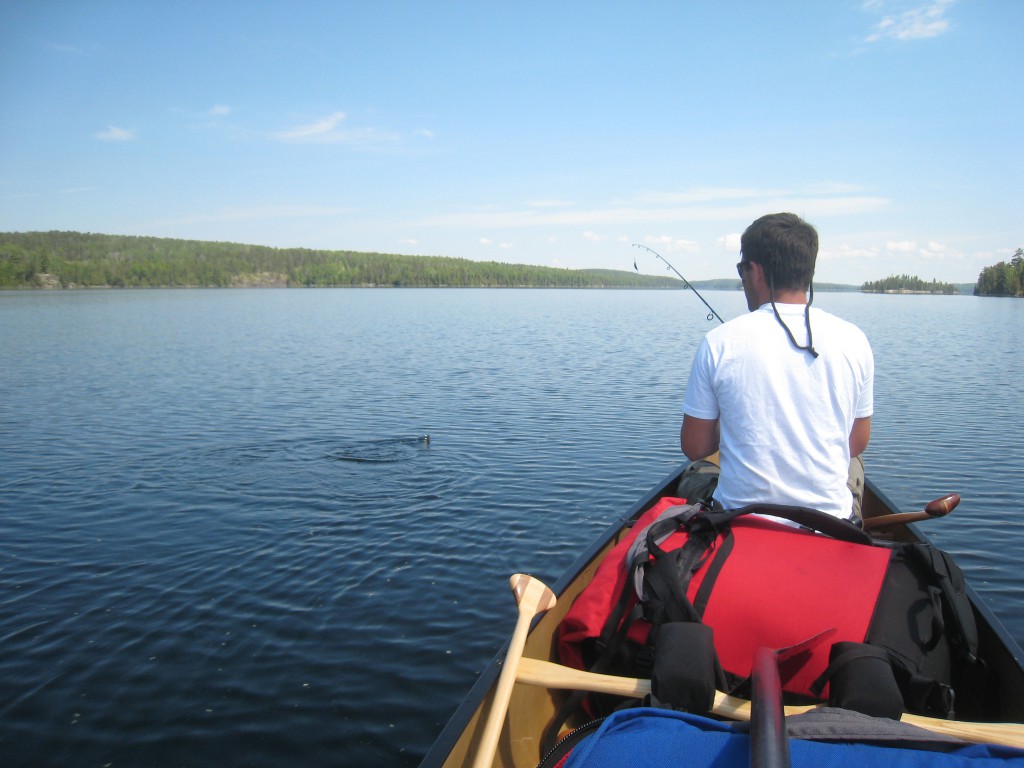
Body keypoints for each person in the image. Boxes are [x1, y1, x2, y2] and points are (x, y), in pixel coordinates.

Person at [680, 213, 873, 521]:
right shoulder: (855, 340)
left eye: (742, 269)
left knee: (696, 471)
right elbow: (856, 442)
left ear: (755, 271)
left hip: (739, 520)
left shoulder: (719, 342)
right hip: (832, 523)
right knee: (854, 461)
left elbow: (696, 447)